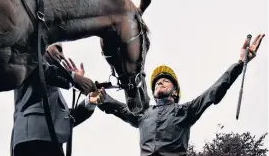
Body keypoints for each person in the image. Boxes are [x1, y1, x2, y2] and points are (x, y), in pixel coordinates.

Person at [98, 34, 265, 156]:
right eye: (156, 82)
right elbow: (117, 107)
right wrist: (94, 94)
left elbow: (214, 90)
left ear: (175, 91)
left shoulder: (186, 110)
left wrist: (240, 63)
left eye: (165, 81)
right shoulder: (143, 114)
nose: (159, 82)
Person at [11, 43, 105, 156]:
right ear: (44, 45)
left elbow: (67, 120)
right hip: (32, 140)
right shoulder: (31, 60)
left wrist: (90, 101)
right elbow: (43, 71)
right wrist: (74, 78)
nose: (61, 55)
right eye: (58, 48)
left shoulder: (54, 91)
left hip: (52, 143)